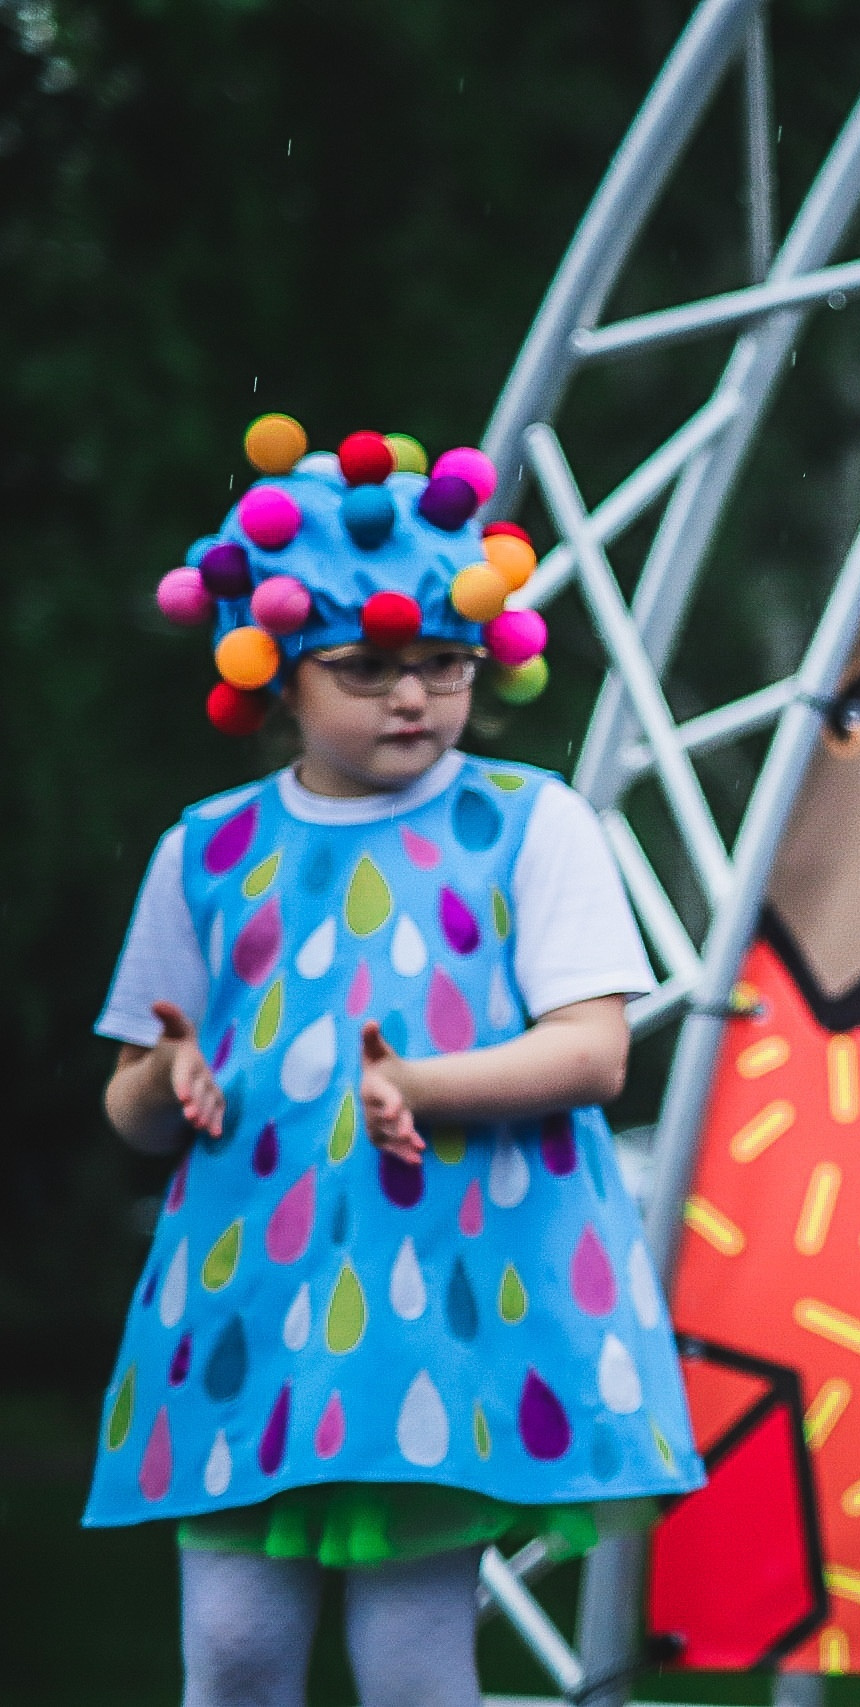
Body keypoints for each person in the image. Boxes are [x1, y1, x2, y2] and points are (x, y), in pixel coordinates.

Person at [88, 417, 703, 1707]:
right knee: (235, 1657)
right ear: (276, 678)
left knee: (413, 1668)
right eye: (369, 666)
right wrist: (165, 1082)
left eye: (445, 661)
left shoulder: (535, 824)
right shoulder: (203, 850)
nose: (415, 694)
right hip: (250, 1316)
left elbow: (593, 1055)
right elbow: (135, 1112)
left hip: (445, 1307)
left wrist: (421, 1086)